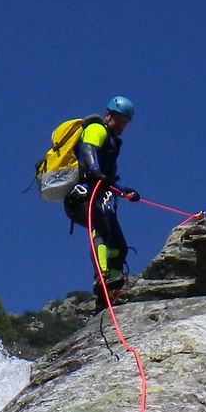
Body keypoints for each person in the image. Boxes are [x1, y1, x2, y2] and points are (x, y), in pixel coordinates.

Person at [64, 96, 139, 300]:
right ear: (108, 115)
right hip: (82, 195)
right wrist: (95, 171)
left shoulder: (113, 142)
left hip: (98, 195)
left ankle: (111, 292)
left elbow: (107, 179)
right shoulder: (97, 129)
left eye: (125, 122)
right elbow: (88, 149)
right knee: (102, 230)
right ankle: (102, 278)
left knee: (120, 246)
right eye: (119, 120)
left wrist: (125, 191)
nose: (122, 125)